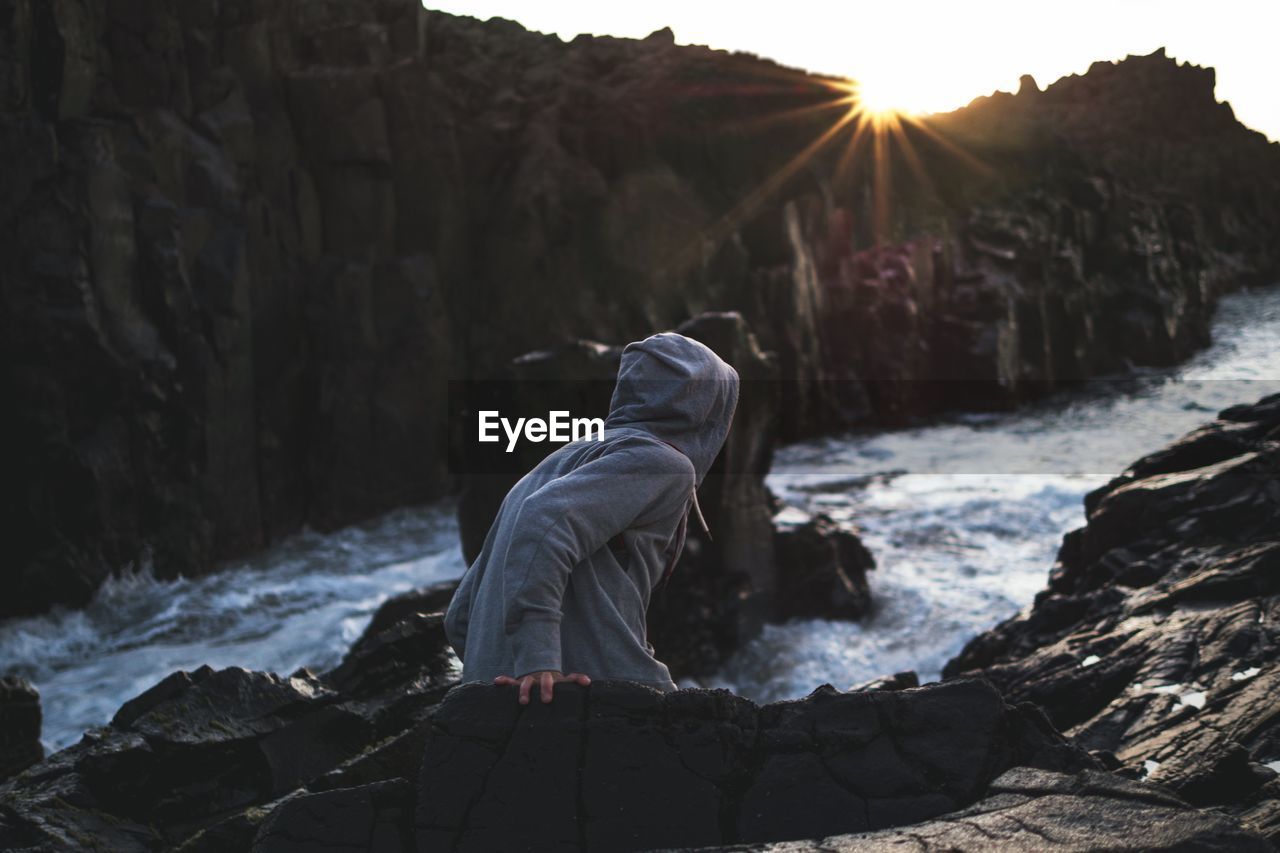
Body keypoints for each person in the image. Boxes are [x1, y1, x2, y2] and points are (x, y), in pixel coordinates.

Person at [443, 332, 739, 705]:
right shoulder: (665, 464)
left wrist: (498, 668)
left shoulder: (561, 459)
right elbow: (541, 522)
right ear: (707, 405)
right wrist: (538, 661)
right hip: (600, 686)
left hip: (499, 694)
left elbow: (460, 614)